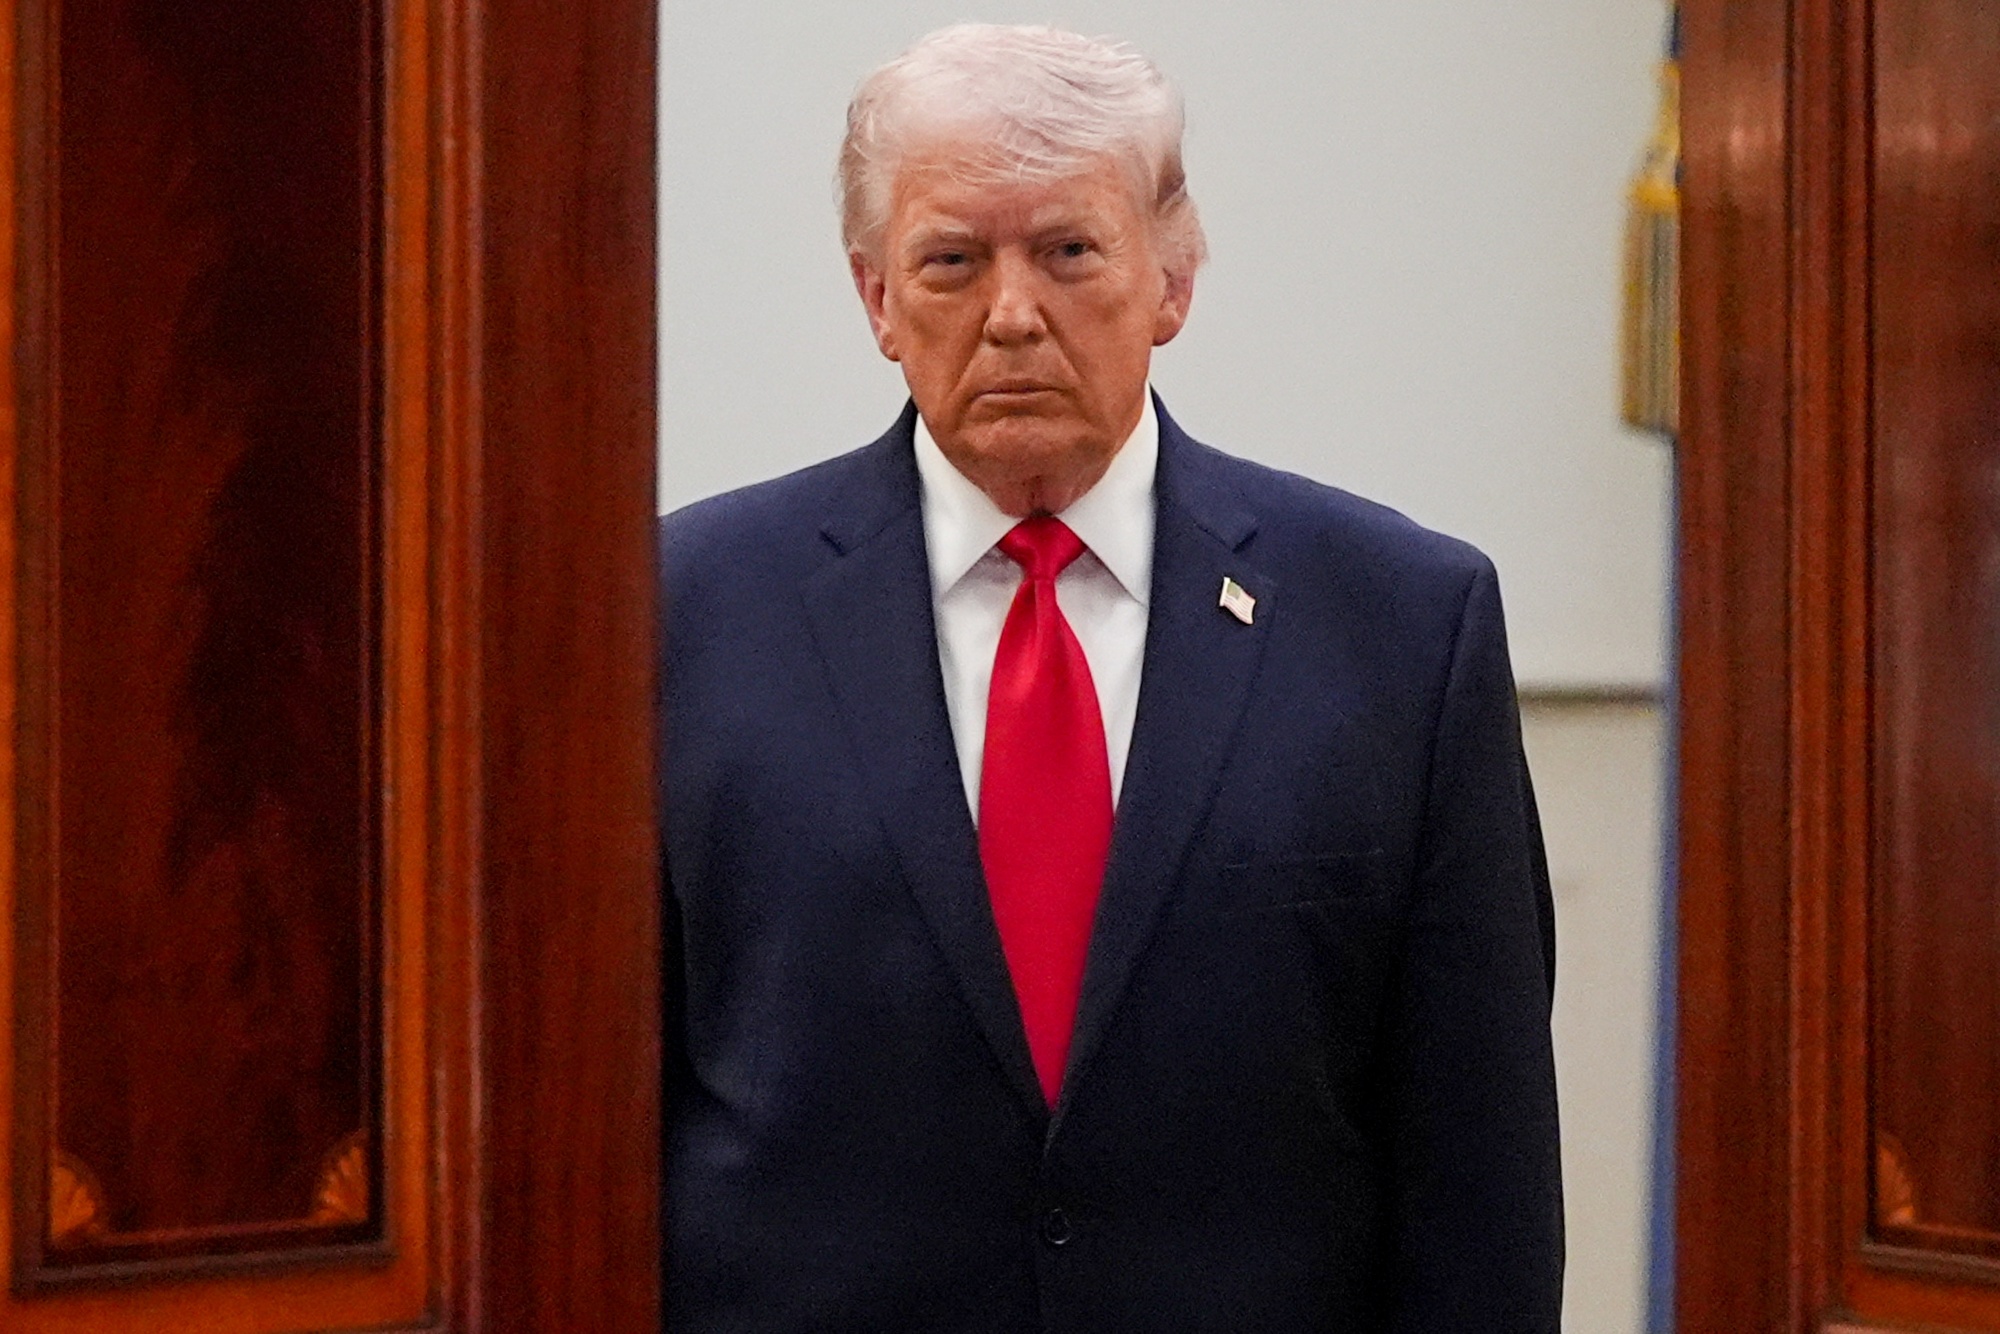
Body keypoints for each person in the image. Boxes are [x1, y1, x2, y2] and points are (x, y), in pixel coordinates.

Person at [661, 23, 1562, 1332]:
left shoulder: (1404, 627)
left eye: (1069, 252)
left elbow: (1480, 1171)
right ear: (877, 299)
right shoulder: (681, 617)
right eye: (953, 260)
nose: (1013, 313)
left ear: (1172, 280)